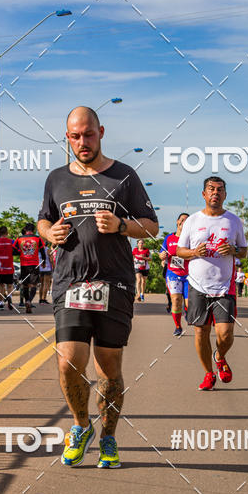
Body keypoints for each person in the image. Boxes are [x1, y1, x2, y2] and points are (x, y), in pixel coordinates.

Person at [37, 105, 158, 469]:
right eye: (75, 136)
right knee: (68, 361)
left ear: (101, 132)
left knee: (108, 368)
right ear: (68, 137)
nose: (82, 142)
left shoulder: (124, 175)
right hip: (70, 282)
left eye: (88, 134)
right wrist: (49, 232)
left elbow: (151, 226)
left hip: (115, 283)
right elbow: (43, 218)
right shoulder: (57, 178)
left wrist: (122, 226)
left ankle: (108, 437)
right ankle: (79, 426)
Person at [176, 176, 247, 390]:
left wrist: (233, 250)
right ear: (204, 194)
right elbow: (179, 250)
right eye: (211, 189)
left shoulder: (233, 221)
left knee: (225, 334)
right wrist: (194, 252)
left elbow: (243, 252)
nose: (215, 193)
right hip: (197, 285)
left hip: (225, 285)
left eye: (219, 190)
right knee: (201, 332)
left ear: (225, 194)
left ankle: (220, 355)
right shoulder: (192, 221)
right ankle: (208, 373)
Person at [159, 212, 189, 336]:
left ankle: (187, 311)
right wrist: (162, 256)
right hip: (173, 274)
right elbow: (161, 254)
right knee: (176, 300)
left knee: (189, 303)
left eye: (187, 221)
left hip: (188, 275)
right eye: (182, 220)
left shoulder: (190, 239)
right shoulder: (169, 238)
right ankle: (178, 326)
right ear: (177, 222)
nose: (184, 222)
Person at [12, 223, 46, 314]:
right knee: (34, 285)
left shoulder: (19, 239)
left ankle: (26, 300)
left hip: (24, 265)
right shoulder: (37, 238)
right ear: (33, 230)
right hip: (34, 264)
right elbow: (43, 251)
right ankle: (29, 301)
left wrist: (20, 252)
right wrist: (44, 262)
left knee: (25, 285)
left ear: (25, 229)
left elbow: (13, 250)